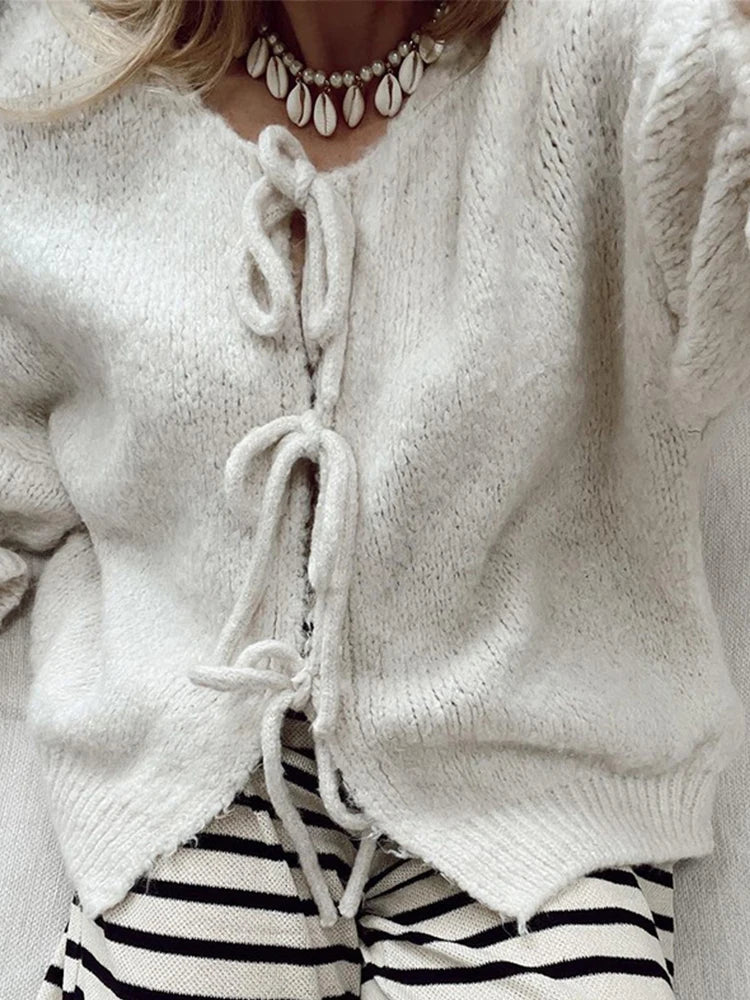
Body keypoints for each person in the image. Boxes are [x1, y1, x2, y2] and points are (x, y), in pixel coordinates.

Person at [1, 0, 749, 996]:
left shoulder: (603, 43)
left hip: (531, 770)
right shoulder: (62, 86)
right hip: (187, 765)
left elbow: (714, 155)